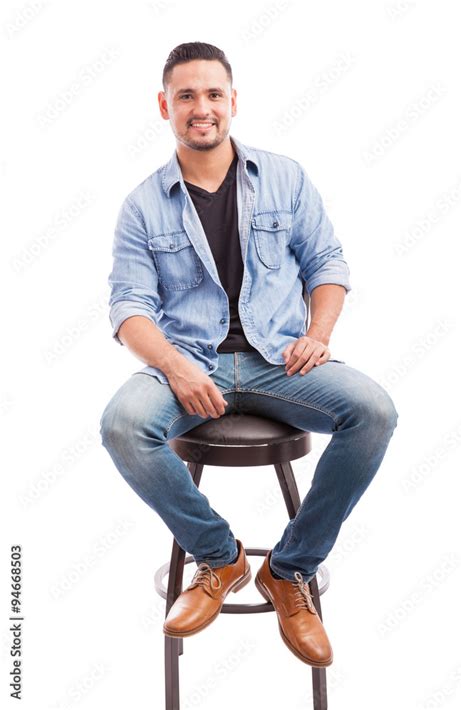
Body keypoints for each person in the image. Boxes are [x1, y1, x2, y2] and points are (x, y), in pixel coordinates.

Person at [99, 41, 398, 668]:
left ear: (233, 102)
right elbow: (128, 309)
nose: (200, 107)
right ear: (165, 106)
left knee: (373, 411)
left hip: (277, 360)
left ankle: (290, 570)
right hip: (189, 360)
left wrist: (319, 332)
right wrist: (176, 368)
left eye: (213, 94)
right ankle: (218, 557)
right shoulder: (143, 204)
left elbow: (328, 264)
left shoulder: (284, 178)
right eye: (186, 95)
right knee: (123, 425)